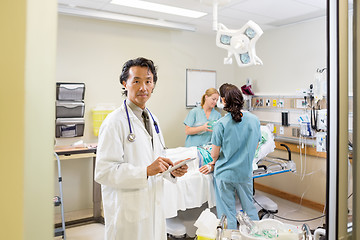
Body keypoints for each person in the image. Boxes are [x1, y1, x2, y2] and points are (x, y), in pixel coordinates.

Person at [94, 57, 188, 240]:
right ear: (125, 83)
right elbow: (103, 172)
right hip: (127, 212)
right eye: (136, 81)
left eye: (148, 81)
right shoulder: (114, 122)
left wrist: (171, 170)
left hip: (152, 207)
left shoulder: (153, 120)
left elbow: (156, 159)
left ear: (153, 85)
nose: (143, 87)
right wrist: (145, 171)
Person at [199, 83, 261, 229]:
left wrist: (213, 161)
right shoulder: (254, 120)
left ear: (223, 100)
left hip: (224, 176)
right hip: (244, 173)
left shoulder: (221, 124)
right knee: (250, 210)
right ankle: (257, 235)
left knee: (227, 214)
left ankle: (230, 237)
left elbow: (214, 155)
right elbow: (256, 145)